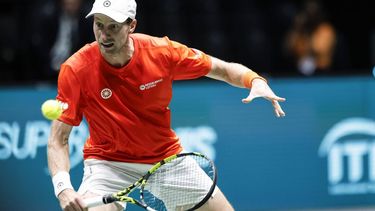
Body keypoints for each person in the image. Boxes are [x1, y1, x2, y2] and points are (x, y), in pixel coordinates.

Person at [47, 0, 286, 210]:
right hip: (108, 164)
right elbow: (59, 139)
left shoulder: (162, 52)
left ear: (131, 26)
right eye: (99, 24)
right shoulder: (76, 69)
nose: (104, 35)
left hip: (165, 159)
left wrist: (254, 80)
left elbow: (221, 69)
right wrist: (63, 188)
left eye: (113, 27)